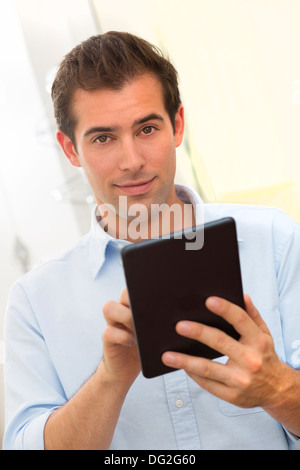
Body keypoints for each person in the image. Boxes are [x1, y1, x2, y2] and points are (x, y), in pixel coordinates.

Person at [3, 31, 300, 450]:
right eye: (103, 138)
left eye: (146, 128)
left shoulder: (275, 241)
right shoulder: (35, 301)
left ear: (177, 125)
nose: (132, 161)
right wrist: (110, 377)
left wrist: (277, 389)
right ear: (70, 150)